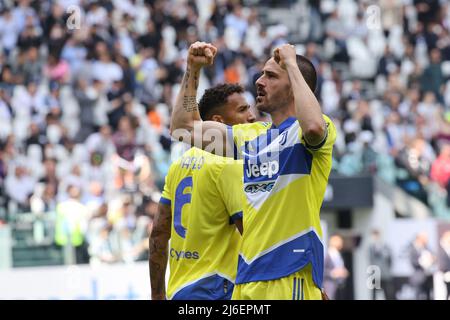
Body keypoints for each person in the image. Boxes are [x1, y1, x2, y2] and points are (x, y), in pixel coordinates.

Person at [170, 41, 336, 300]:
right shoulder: (251, 136)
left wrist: (292, 62)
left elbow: (313, 127)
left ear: (294, 84)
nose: (259, 81)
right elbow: (183, 128)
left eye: (270, 76)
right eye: (261, 74)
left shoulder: (313, 130)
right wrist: (192, 69)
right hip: (246, 279)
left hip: (289, 276)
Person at [149, 83, 256, 300]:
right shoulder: (228, 163)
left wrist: (157, 295)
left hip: (181, 291)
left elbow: (159, 234)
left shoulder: (178, 166)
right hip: (217, 289)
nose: (252, 117)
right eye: (243, 110)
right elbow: (254, 236)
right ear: (218, 122)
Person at [409, 232, 437, 300]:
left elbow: (434, 257)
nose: (426, 240)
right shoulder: (413, 248)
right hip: (418, 276)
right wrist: (422, 262)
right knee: (418, 295)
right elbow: (413, 262)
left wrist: (432, 259)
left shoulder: (427, 247)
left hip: (428, 275)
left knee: (429, 294)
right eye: (425, 239)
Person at [368, 229, 394, 300]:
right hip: (375, 273)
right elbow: (371, 260)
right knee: (374, 294)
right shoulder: (371, 248)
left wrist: (388, 270)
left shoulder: (385, 246)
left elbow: (390, 259)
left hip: (385, 274)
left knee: (388, 293)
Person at [324, 235, 349, 300]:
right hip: (329, 286)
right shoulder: (327, 255)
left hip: (339, 286)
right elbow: (322, 270)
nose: (341, 243)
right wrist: (332, 273)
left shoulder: (338, 255)